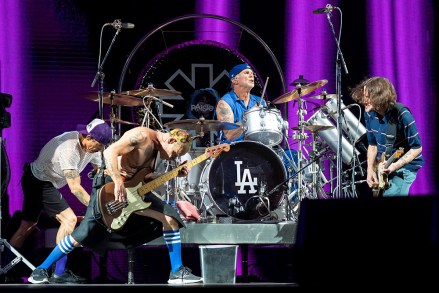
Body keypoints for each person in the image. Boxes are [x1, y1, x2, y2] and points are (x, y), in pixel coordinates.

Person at [27, 127, 203, 284]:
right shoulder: (140, 136)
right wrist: (118, 181)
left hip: (133, 189)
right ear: (171, 140)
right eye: (174, 153)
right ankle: (40, 269)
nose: (173, 157)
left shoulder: (158, 151)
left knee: (170, 217)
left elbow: (145, 177)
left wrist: (174, 174)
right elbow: (109, 151)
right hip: (110, 185)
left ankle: (177, 272)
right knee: (84, 232)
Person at [3, 118, 112, 284]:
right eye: (99, 145)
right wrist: (96, 209)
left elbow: (100, 171)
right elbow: (75, 188)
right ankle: (59, 273)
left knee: (27, 225)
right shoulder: (69, 149)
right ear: (88, 137)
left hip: (39, 179)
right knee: (70, 219)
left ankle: (4, 269)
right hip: (39, 182)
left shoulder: (93, 148)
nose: (100, 149)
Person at [350, 76, 424, 196]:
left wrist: (395, 166)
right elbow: (372, 145)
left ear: (379, 96)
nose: (363, 100)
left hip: (405, 167)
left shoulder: (402, 115)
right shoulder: (369, 114)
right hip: (384, 165)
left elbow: (417, 147)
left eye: (367, 97)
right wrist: (370, 170)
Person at [216, 63, 266, 144]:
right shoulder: (225, 102)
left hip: (256, 148)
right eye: (246, 73)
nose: (251, 75)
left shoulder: (259, 101)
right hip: (232, 150)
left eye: (252, 73)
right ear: (234, 80)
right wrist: (250, 116)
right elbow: (229, 135)